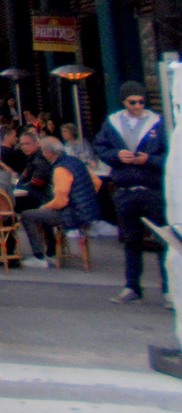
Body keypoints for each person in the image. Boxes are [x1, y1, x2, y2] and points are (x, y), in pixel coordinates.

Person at [95, 81, 168, 304]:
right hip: (126, 188)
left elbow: (171, 155)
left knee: (163, 240)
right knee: (130, 239)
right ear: (124, 102)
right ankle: (131, 286)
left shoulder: (158, 123)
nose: (137, 105)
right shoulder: (113, 123)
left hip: (151, 187)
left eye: (141, 101)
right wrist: (117, 155)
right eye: (132, 102)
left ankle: (168, 289)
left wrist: (150, 160)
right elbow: (100, 147)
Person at [20, 136, 102, 268]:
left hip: (73, 213)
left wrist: (44, 207)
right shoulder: (75, 161)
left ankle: (39, 257)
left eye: (43, 150)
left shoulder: (60, 169)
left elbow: (60, 201)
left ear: (49, 153)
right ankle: (50, 252)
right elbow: (97, 182)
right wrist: (85, 198)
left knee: (27, 215)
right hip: (89, 210)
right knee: (45, 213)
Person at [14, 132, 51, 212]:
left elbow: (36, 184)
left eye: (27, 144)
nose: (24, 147)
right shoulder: (32, 158)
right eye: (22, 145)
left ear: (37, 143)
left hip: (43, 198)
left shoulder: (40, 159)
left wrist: (19, 188)